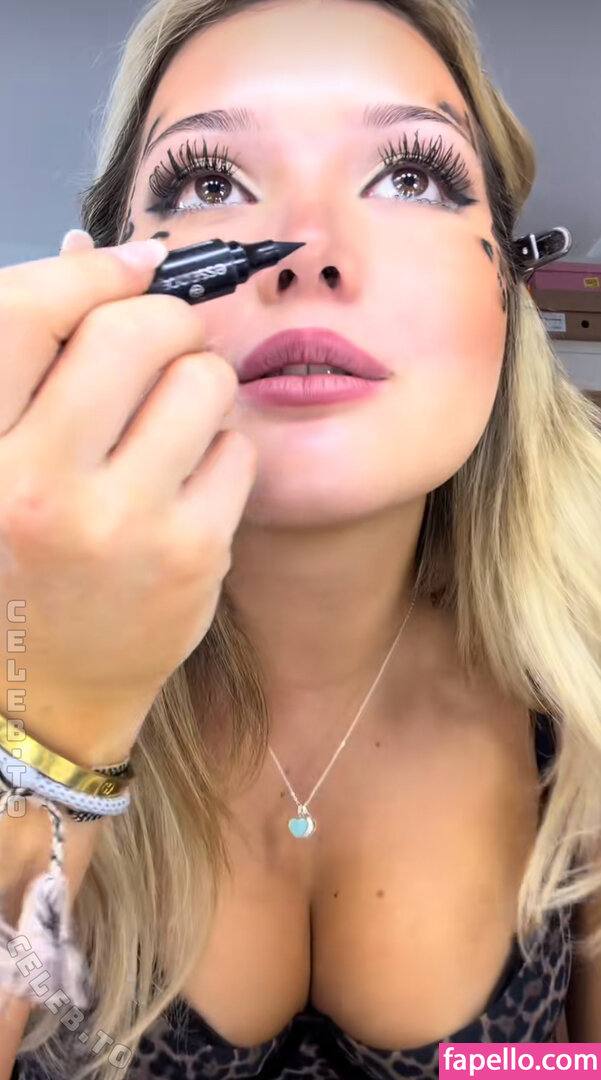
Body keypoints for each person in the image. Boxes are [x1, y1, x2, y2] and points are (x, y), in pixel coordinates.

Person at [2, 0, 601, 1077]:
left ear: (509, 287)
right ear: (105, 280)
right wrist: (41, 724)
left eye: (410, 176)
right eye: (209, 183)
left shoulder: (585, 693)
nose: (312, 256)